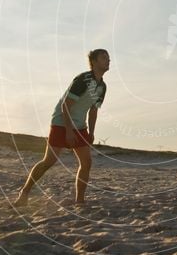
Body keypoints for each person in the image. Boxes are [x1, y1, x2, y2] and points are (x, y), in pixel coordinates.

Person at [13, 49, 110, 207]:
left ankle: (79, 201)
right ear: (94, 62)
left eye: (108, 58)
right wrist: (69, 130)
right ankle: (24, 194)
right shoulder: (82, 79)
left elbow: (93, 111)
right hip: (61, 122)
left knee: (87, 163)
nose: (108, 60)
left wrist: (92, 132)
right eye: (104, 58)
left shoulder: (102, 87)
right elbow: (66, 106)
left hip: (80, 125)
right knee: (48, 162)